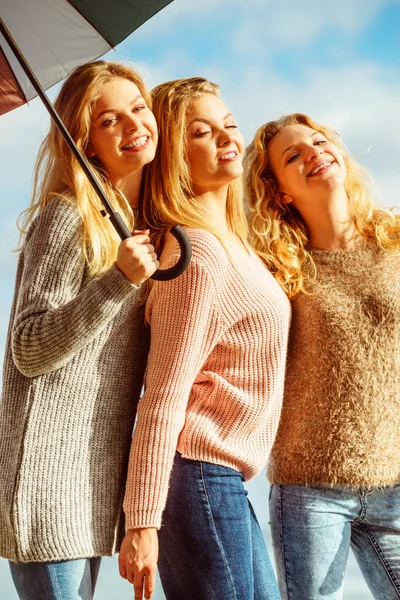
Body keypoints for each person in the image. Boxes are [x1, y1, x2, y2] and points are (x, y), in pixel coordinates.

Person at [117, 77, 291, 600]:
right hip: (195, 478)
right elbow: (164, 394)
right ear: (173, 152)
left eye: (229, 124)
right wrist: (142, 520)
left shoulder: (235, 245)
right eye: (201, 131)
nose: (226, 137)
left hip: (224, 483)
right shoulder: (195, 254)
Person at [0, 60, 159, 600]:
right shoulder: (67, 215)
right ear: (86, 141)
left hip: (94, 480)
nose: (133, 124)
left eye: (137, 108)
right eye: (108, 120)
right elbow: (28, 347)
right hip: (47, 483)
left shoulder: (131, 221)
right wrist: (118, 281)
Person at [244, 112, 400, 600]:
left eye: (318, 142)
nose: (314, 153)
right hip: (309, 489)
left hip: (394, 483)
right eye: (294, 156)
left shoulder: (395, 240)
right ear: (281, 192)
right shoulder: (276, 268)